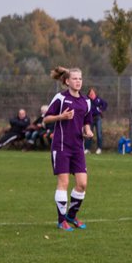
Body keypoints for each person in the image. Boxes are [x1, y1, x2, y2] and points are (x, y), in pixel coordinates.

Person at [43, 66, 94, 230]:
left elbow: (87, 122)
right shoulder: (60, 98)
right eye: (74, 78)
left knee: (82, 184)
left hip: (78, 147)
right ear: (67, 81)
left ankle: (71, 216)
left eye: (80, 78)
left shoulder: (86, 101)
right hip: (61, 146)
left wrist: (88, 131)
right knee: (63, 182)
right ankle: (61, 220)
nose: (78, 81)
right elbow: (46, 119)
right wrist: (61, 116)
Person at [86, 86, 107, 154]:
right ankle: (87, 149)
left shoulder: (99, 100)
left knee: (99, 134)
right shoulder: (87, 100)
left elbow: (105, 104)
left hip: (98, 118)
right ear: (89, 94)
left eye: (93, 93)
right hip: (90, 119)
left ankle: (99, 148)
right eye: (91, 93)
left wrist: (101, 110)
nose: (92, 95)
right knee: (89, 134)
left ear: (95, 93)